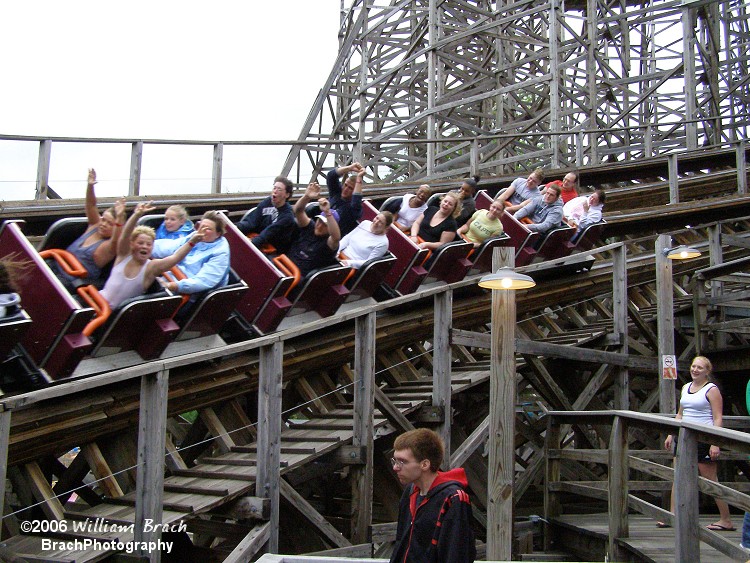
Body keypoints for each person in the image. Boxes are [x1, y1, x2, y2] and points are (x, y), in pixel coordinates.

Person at [659, 356, 735, 531]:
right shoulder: (686, 388)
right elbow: (680, 414)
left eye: (700, 367)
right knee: (677, 476)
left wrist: (715, 443)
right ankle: (672, 516)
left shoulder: (711, 389)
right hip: (684, 437)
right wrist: (671, 434)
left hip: (704, 439)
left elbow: (717, 418)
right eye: (693, 366)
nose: (695, 370)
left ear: (707, 371)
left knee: (711, 481)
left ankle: (726, 519)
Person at [389, 428, 475, 563]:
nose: (395, 467)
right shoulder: (411, 492)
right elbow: (401, 544)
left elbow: (456, 554)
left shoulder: (454, 499)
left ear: (425, 464)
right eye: (395, 460)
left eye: (402, 462)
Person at [99, 202, 204, 309]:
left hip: (116, 315)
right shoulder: (124, 255)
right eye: (140, 243)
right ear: (132, 244)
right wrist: (136, 215)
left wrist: (192, 242)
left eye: (149, 244)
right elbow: (125, 234)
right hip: (99, 301)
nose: (144, 247)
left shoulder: (151, 267)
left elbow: (175, 258)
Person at [54, 168, 125, 288]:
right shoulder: (95, 225)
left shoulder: (109, 247)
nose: (103, 224)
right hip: (56, 264)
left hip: (69, 281)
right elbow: (91, 205)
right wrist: (90, 186)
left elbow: (117, 239)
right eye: (103, 219)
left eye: (109, 223)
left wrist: (119, 218)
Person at [153, 210, 230, 296]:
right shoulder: (195, 235)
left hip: (189, 291)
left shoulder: (221, 252)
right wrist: (148, 247)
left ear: (218, 234)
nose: (202, 231)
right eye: (201, 226)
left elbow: (203, 281)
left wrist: (171, 285)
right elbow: (170, 246)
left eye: (208, 229)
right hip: (171, 276)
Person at [288, 182, 341, 277]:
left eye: (325, 225)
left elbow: (336, 237)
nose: (319, 226)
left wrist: (327, 212)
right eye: (319, 221)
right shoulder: (311, 227)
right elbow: (298, 211)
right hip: (285, 263)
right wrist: (306, 197)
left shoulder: (329, 243)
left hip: (299, 277)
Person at [236, 176, 295, 253]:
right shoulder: (267, 202)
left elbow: (269, 233)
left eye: (279, 189)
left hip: (273, 250)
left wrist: (252, 242)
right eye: (274, 188)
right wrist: (236, 227)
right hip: (258, 239)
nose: (275, 191)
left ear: (287, 195)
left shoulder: (287, 216)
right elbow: (252, 221)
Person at [326, 161, 365, 235]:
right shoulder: (336, 193)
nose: (346, 189)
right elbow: (331, 176)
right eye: (345, 185)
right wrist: (349, 168)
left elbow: (356, 200)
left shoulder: (354, 209)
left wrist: (359, 177)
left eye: (350, 188)